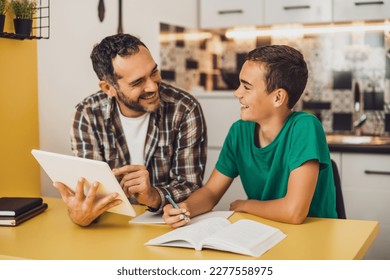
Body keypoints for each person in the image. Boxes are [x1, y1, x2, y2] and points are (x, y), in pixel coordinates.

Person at [163, 45, 337, 228]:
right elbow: (211, 192)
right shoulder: (239, 132)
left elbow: (294, 212)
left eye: (246, 87)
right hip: (265, 230)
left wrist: (246, 205)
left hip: (313, 234)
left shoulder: (305, 127)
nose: (237, 93)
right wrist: (184, 207)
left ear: (278, 98)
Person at [54, 33, 207, 226]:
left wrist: (153, 196)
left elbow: (190, 185)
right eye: (137, 82)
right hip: (112, 225)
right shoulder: (87, 114)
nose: (152, 86)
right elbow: (90, 193)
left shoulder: (184, 108)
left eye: (154, 72)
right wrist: (80, 215)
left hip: (166, 224)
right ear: (108, 88)